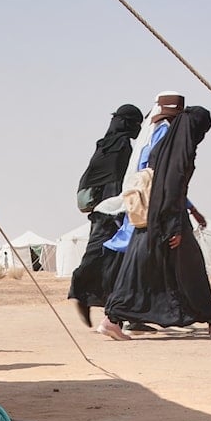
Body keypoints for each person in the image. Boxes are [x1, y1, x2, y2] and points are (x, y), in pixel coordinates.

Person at [99, 103, 211, 340]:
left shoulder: (166, 146)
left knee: (175, 270)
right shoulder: (179, 150)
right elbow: (172, 187)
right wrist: (173, 227)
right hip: (167, 218)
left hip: (160, 216)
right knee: (159, 269)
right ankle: (112, 319)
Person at [68, 104, 144, 327]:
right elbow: (115, 182)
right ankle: (81, 290)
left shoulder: (104, 144)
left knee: (122, 262)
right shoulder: (120, 146)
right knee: (109, 257)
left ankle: (126, 315)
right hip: (110, 213)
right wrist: (120, 212)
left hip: (104, 210)